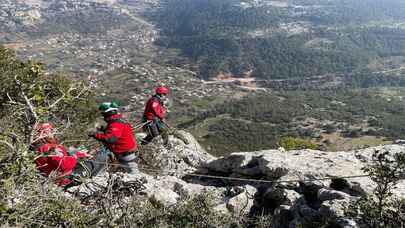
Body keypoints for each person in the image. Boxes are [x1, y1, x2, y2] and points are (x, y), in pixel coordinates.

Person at [33, 123, 106, 188]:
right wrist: (75, 157)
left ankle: (91, 176)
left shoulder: (41, 147)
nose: (53, 133)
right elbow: (64, 165)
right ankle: (91, 178)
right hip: (67, 178)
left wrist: (81, 154)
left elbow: (65, 155)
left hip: (63, 175)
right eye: (51, 130)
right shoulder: (49, 148)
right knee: (101, 156)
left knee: (96, 156)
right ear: (44, 133)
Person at [89, 102, 139, 174]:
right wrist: (103, 130)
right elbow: (115, 132)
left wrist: (94, 134)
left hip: (126, 155)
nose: (103, 117)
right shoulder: (118, 120)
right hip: (124, 153)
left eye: (103, 114)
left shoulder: (116, 124)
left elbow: (110, 139)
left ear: (108, 114)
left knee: (134, 175)